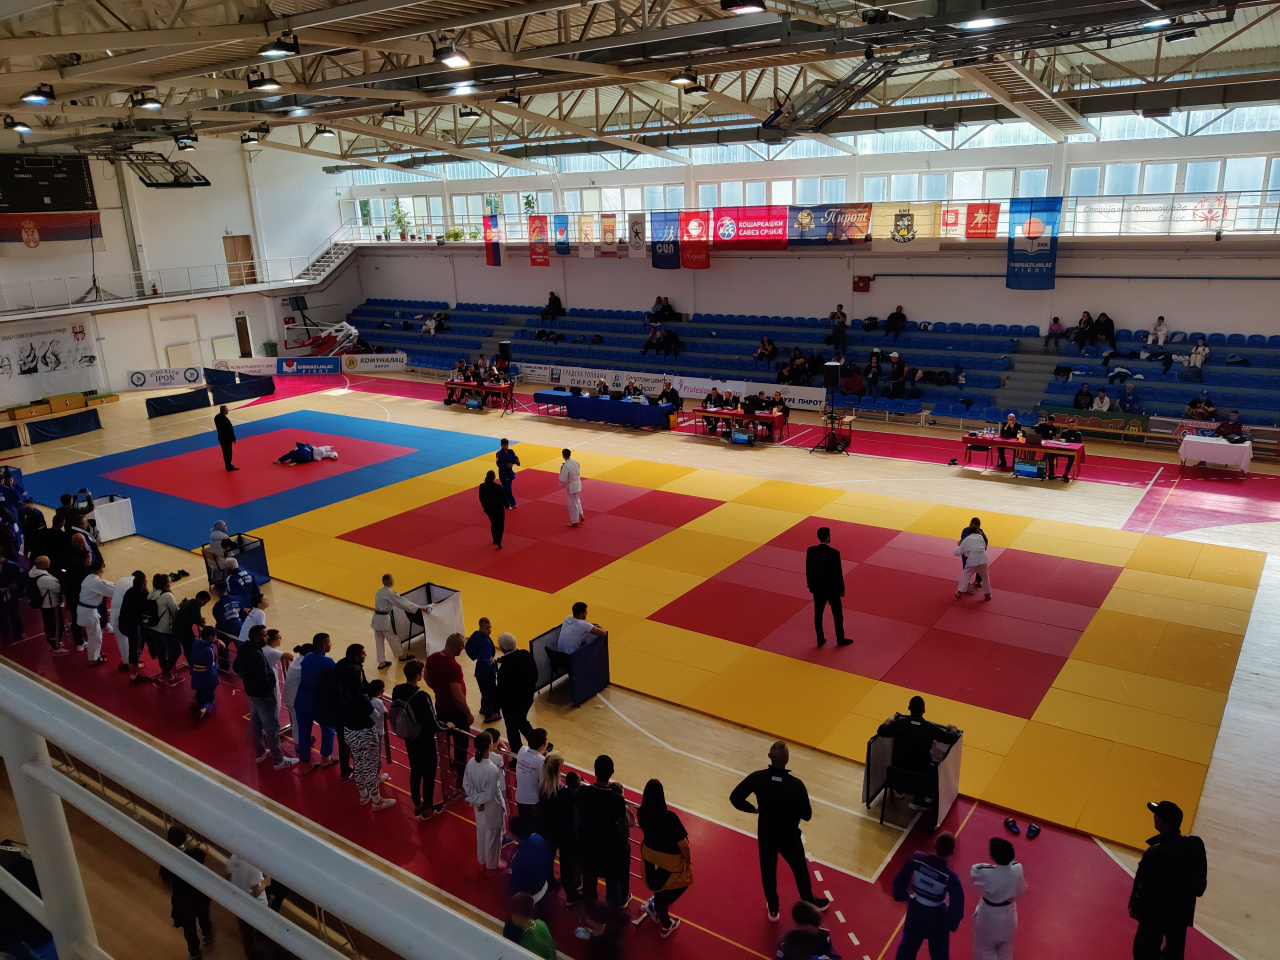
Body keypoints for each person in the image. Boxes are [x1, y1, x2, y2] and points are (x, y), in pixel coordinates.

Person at [730, 741, 829, 922]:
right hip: (789, 835)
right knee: (800, 869)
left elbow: (735, 797)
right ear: (787, 759)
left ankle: (774, 908)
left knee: (768, 870)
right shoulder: (797, 785)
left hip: (766, 833)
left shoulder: (757, 778)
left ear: (769, 757)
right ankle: (809, 901)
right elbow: (807, 815)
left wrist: (753, 809)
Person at [1129, 799, 1207, 960]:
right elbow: (1200, 886)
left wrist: (1135, 908)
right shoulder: (1195, 845)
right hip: (1180, 913)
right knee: (1174, 952)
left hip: (1154, 914)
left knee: (1143, 951)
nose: (1154, 817)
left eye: (1156, 815)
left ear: (1163, 823)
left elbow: (1143, 886)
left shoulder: (1154, 853)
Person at [337, 642, 394, 810]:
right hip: (365, 734)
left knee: (359, 764)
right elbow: (375, 716)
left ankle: (364, 795)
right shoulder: (361, 698)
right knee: (370, 767)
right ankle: (377, 800)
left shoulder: (343, 695)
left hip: (349, 732)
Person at [391, 659, 450, 819]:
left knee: (416, 771)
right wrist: (447, 726)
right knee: (429, 773)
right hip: (424, 740)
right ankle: (428, 808)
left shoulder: (397, 690)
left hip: (409, 737)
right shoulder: (422, 696)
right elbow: (433, 724)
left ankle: (417, 804)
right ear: (418, 675)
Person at [234, 624, 299, 771]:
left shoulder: (245, 649)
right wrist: (270, 696)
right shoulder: (257, 655)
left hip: (251, 694)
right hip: (263, 697)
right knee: (272, 728)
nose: (267, 637)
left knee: (256, 725)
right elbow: (264, 679)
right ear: (257, 637)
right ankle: (278, 760)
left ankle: (261, 753)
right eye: (264, 635)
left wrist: (248, 679)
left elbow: (236, 667)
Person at [877, 697, 960, 809]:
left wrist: (887, 721)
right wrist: (953, 729)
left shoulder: (899, 724)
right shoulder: (930, 728)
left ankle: (899, 789)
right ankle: (919, 800)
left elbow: (882, 731)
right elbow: (951, 739)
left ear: (909, 708)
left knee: (902, 761)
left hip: (897, 773)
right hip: (920, 775)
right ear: (924, 710)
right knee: (935, 769)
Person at [892, 832, 965, 960]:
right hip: (937, 917)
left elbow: (900, 879)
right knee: (939, 955)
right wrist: (950, 921)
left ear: (935, 845)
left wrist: (904, 896)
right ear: (952, 851)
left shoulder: (916, 859)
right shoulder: (950, 877)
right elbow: (958, 901)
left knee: (907, 948)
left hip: (915, 911)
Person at [576, 754, 634, 907]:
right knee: (612, 884)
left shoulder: (583, 792)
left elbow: (577, 817)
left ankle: (590, 912)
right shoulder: (617, 800)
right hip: (609, 850)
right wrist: (624, 846)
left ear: (595, 771)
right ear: (612, 772)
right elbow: (622, 828)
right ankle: (611, 913)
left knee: (589, 882)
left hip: (587, 846)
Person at [638, 778, 691, 938]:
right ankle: (666, 924)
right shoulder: (670, 817)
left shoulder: (641, 812)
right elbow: (684, 844)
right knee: (681, 883)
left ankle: (657, 906)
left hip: (650, 858)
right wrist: (688, 859)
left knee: (658, 884)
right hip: (669, 861)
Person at [158, 825, 214, 960]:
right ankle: (207, 933)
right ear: (186, 838)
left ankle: (194, 952)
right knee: (203, 915)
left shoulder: (167, 860)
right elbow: (203, 858)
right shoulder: (196, 853)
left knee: (189, 927)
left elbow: (166, 880)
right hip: (199, 892)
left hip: (182, 898)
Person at [427, 632, 474, 788]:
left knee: (444, 741)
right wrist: (468, 713)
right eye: (462, 646)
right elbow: (457, 696)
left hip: (440, 707)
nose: (463, 649)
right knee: (461, 745)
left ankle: (445, 770)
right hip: (456, 712)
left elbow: (426, 677)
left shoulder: (432, 658)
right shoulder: (454, 667)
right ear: (455, 646)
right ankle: (461, 777)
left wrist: (438, 690)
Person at [971, 837, 1027, 960]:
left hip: (988, 917)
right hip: (1009, 916)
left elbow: (975, 869)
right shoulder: (1018, 868)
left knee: (984, 951)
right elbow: (1021, 889)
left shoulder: (985, 872)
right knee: (1006, 951)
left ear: (993, 856)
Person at [463, 731, 507, 874]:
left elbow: (466, 785)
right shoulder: (491, 769)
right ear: (490, 746)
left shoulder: (471, 762)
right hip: (492, 807)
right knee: (493, 836)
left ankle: (482, 860)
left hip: (479, 807)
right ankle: (492, 866)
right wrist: (475, 800)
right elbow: (489, 795)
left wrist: (475, 800)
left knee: (481, 832)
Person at [294, 633, 338, 775]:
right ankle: (325, 758)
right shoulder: (328, 662)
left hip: (301, 699)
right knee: (328, 727)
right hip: (318, 702)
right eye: (329, 642)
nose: (331, 644)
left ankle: (305, 764)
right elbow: (336, 678)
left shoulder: (307, 657)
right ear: (324, 646)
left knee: (304, 731)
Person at [371, 573, 432, 669]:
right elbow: (402, 603)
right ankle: (402, 655)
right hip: (384, 620)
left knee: (379, 641)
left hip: (376, 619)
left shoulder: (379, 591)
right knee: (393, 638)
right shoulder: (390, 593)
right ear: (392, 582)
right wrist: (419, 607)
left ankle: (381, 662)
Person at [805, 527, 849, 648]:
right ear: (828, 537)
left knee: (818, 614)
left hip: (818, 589)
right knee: (837, 614)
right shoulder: (834, 553)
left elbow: (808, 570)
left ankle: (820, 639)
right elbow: (838, 573)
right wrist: (842, 589)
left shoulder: (811, 551)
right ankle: (840, 638)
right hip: (832, 589)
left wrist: (810, 586)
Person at [495, 631, 537, 751]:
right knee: (521, 721)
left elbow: (502, 691)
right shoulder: (526, 654)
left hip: (512, 705)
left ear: (501, 648)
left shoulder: (504, 669)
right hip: (527, 698)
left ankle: (517, 753)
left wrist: (497, 706)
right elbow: (535, 675)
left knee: (512, 727)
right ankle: (539, 744)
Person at [225, 851, 270, 959]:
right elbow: (256, 892)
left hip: (239, 901)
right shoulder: (254, 867)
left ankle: (251, 954)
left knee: (246, 933)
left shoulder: (233, 858)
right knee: (263, 924)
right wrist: (266, 882)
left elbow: (227, 876)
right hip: (257, 905)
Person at [509, 815, 556, 900]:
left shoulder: (517, 856)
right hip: (545, 884)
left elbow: (514, 881)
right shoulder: (538, 837)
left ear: (514, 835)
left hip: (531, 895)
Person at [465, 616, 502, 724]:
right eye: (486, 628)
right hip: (486, 671)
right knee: (490, 693)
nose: (489, 630)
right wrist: (491, 663)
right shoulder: (485, 642)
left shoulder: (476, 634)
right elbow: (484, 658)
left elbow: (467, 646)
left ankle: (483, 708)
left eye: (490, 627)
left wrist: (473, 656)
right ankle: (488, 716)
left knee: (484, 691)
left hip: (479, 670)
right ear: (481, 628)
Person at [77, 559, 113, 666]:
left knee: (94, 635)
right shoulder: (97, 582)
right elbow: (111, 591)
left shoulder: (88, 578)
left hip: (84, 609)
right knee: (95, 636)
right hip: (89, 612)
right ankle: (93, 659)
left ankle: (96, 655)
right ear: (101, 571)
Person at [504, 892, 557, 960]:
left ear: (519, 915)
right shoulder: (541, 923)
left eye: (513, 913)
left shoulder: (528, 941)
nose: (511, 917)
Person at [28, 556, 64, 655]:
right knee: (56, 626)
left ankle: (52, 642)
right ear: (43, 565)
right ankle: (56, 647)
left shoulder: (32, 573)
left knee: (48, 625)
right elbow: (57, 588)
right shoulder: (45, 578)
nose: (50, 563)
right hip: (51, 604)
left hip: (44, 605)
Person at [190, 625, 222, 721]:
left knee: (199, 692)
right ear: (211, 637)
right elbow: (212, 668)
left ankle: (195, 701)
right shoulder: (210, 651)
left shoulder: (196, 643)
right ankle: (204, 710)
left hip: (196, 674)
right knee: (210, 699)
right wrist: (215, 681)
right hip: (207, 678)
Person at [173, 590, 210, 668]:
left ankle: (192, 664)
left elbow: (193, 616)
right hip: (184, 630)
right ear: (199, 598)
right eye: (204, 602)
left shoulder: (190, 602)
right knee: (190, 647)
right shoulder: (196, 605)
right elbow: (197, 620)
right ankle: (193, 664)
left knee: (187, 647)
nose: (204, 605)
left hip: (178, 628)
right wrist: (204, 626)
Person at [559, 448, 584, 527]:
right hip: (578, 483)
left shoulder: (566, 465)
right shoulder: (575, 462)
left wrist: (561, 471)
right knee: (577, 500)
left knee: (572, 504)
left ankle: (575, 521)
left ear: (563, 455)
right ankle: (581, 514)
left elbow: (563, 479)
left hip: (572, 485)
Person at [496, 438, 520, 509]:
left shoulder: (511, 451)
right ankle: (512, 502)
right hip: (503, 473)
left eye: (506, 445)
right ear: (501, 445)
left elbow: (515, 458)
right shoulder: (499, 453)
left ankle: (504, 502)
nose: (506, 447)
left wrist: (517, 462)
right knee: (507, 488)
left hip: (509, 472)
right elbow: (498, 464)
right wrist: (506, 465)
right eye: (504, 445)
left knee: (507, 488)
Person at [214, 405, 238, 471]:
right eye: (227, 410)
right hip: (226, 438)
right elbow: (229, 429)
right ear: (224, 411)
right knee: (228, 452)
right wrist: (233, 438)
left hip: (221, 437)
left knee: (225, 452)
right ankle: (228, 466)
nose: (228, 411)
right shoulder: (224, 419)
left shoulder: (217, 417)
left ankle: (228, 464)